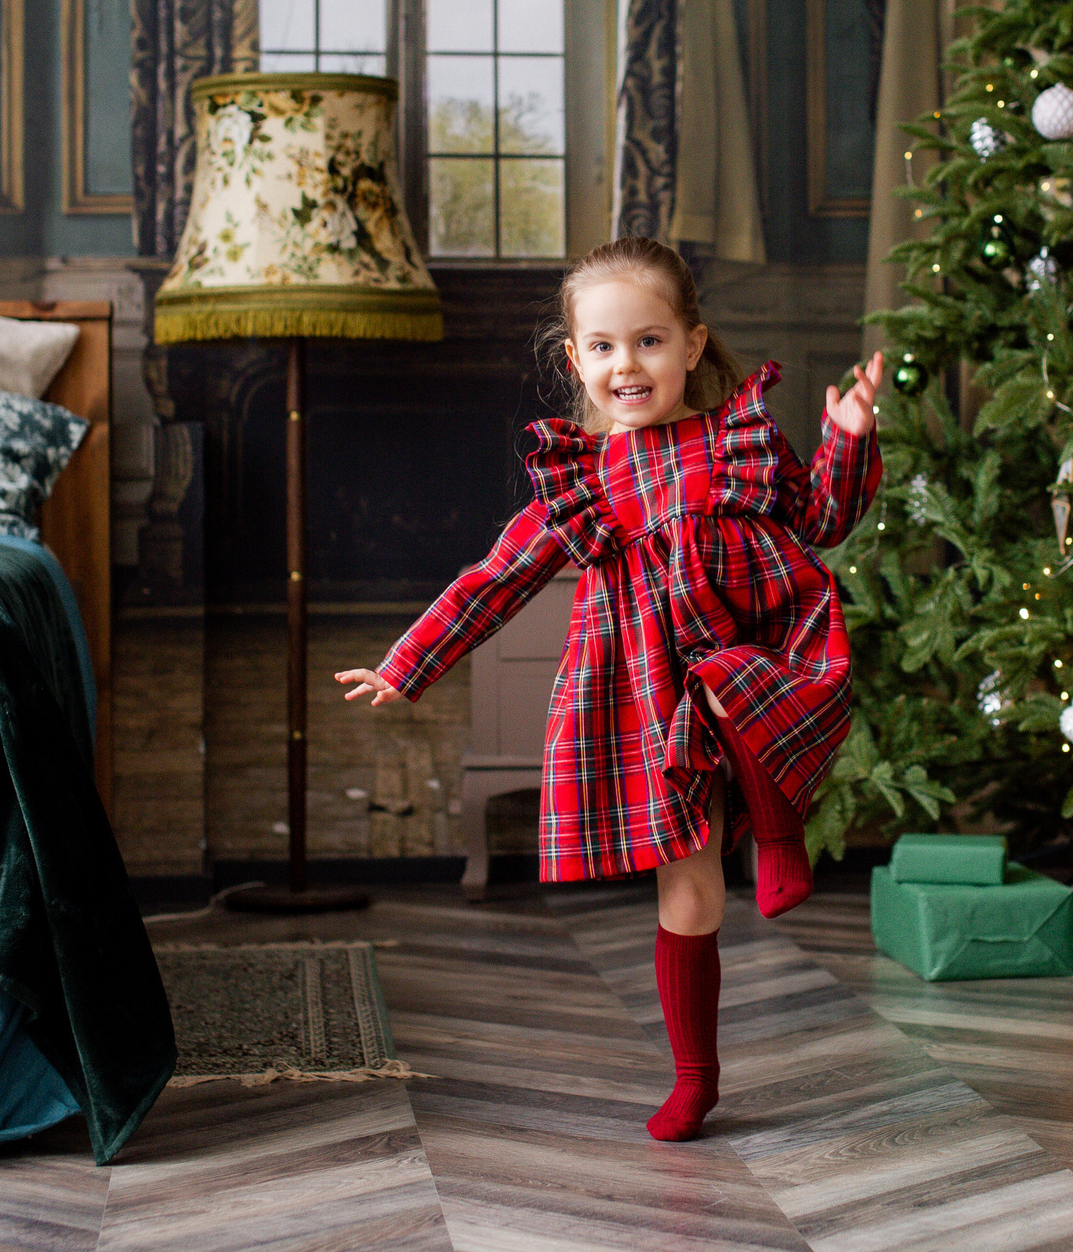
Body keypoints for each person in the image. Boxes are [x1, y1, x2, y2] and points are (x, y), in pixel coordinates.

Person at [337, 236, 883, 1142]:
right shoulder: (583, 481)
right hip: (641, 694)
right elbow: (494, 578)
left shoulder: (736, 436)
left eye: (650, 342)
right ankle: (695, 1080)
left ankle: (781, 836)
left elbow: (822, 517)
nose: (626, 364)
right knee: (691, 888)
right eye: (603, 347)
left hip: (756, 653)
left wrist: (849, 438)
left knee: (722, 676)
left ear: (693, 345)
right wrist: (407, 664)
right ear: (575, 359)